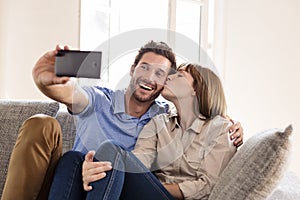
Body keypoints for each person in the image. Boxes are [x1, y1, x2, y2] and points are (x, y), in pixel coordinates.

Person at [2, 41, 243, 200]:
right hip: (80, 182)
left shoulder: (165, 116)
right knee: (67, 151)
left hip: (142, 189)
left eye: (162, 74)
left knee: (110, 151)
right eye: (144, 68)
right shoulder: (108, 103)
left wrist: (228, 122)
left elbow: (206, 178)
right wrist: (46, 80)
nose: (151, 77)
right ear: (132, 69)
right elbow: (71, 93)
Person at [80, 63, 236, 199]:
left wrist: (155, 187)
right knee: (74, 160)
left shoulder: (220, 130)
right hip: (151, 192)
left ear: (196, 89)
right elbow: (139, 162)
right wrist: (103, 170)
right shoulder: (159, 123)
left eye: (179, 76)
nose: (168, 77)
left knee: (112, 149)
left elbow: (206, 186)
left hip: (175, 196)